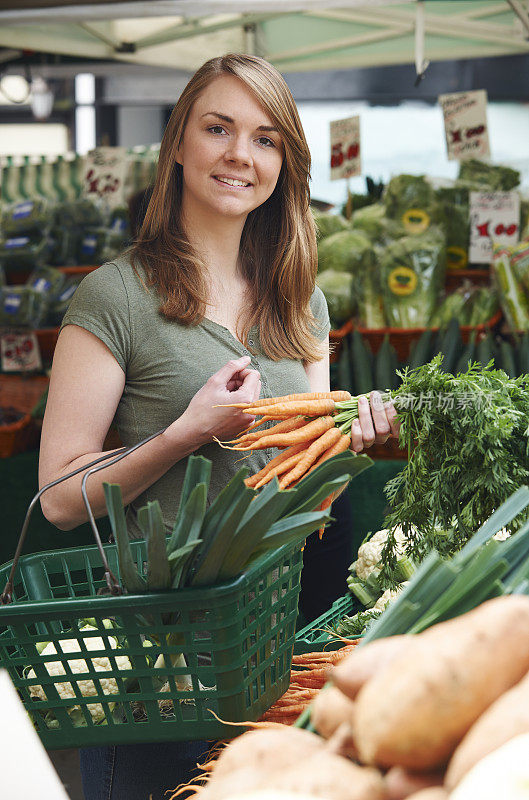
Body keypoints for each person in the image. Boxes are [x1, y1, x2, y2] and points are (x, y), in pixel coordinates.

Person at [38, 53, 398, 800]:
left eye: (266, 139)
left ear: (283, 164)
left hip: (277, 643)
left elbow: (306, 494)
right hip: (153, 654)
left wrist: (353, 447)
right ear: (178, 143)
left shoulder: (302, 304)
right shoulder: (115, 298)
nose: (241, 154)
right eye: (218, 128)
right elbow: (59, 499)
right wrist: (185, 431)